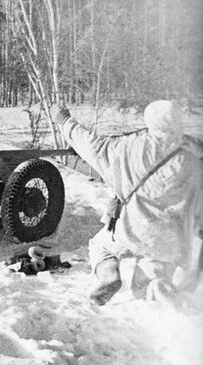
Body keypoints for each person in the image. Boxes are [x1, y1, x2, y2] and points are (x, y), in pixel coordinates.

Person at [54, 100, 203, 308]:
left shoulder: (127, 148)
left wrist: (64, 120)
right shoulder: (191, 161)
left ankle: (108, 275)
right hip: (171, 240)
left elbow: (91, 144)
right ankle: (157, 287)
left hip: (131, 231)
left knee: (100, 245)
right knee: (159, 265)